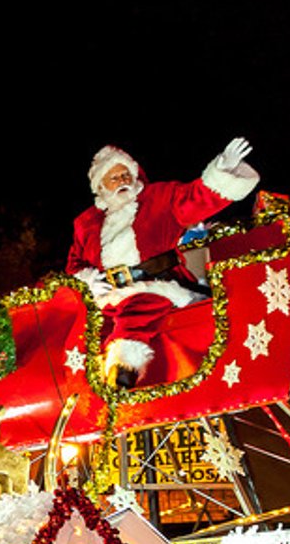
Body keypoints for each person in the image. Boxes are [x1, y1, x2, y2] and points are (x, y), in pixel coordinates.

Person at [68, 138, 259, 388]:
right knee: (86, 330)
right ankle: (86, 389)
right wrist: (88, 282)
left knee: (140, 309)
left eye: (127, 174)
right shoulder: (86, 223)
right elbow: (74, 265)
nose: (123, 181)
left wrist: (222, 170)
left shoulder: (159, 198)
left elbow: (195, 199)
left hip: (158, 285)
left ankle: (124, 370)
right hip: (108, 296)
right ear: (100, 186)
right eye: (114, 178)